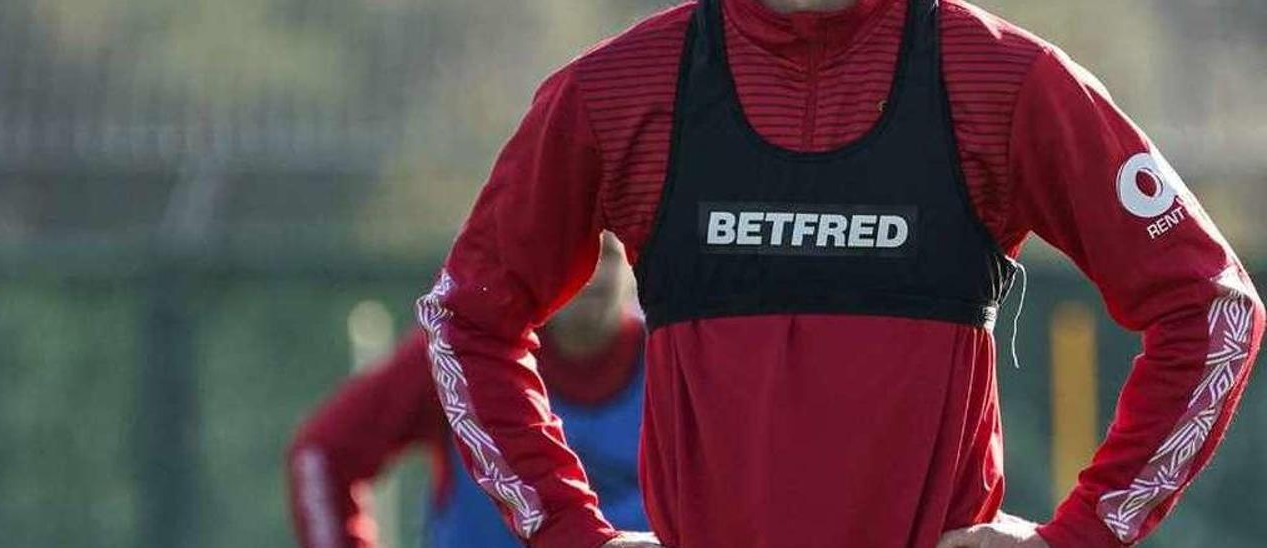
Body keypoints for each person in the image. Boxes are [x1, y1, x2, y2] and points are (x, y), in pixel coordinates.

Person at [413, 0, 1264, 547]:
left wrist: (1079, 537)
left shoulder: (999, 78)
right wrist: (571, 531)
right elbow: (467, 319)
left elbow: (1214, 310)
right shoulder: (623, 90)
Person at [287, 237, 649, 548]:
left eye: (607, 255)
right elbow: (322, 454)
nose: (590, 275)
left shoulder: (676, 359)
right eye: (574, 253)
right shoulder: (461, 349)